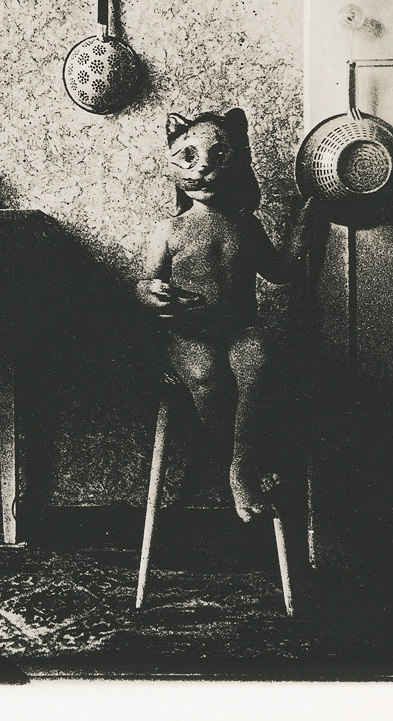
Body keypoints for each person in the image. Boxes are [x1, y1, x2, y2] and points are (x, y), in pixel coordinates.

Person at [136, 109, 319, 522]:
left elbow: (280, 270)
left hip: (239, 330)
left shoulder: (245, 227)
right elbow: (146, 281)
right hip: (188, 334)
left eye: (218, 156)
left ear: (238, 163)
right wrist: (150, 293)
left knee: (258, 355)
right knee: (204, 373)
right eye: (188, 156)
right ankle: (243, 461)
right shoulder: (169, 230)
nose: (203, 166)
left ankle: (242, 465)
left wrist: (304, 224)